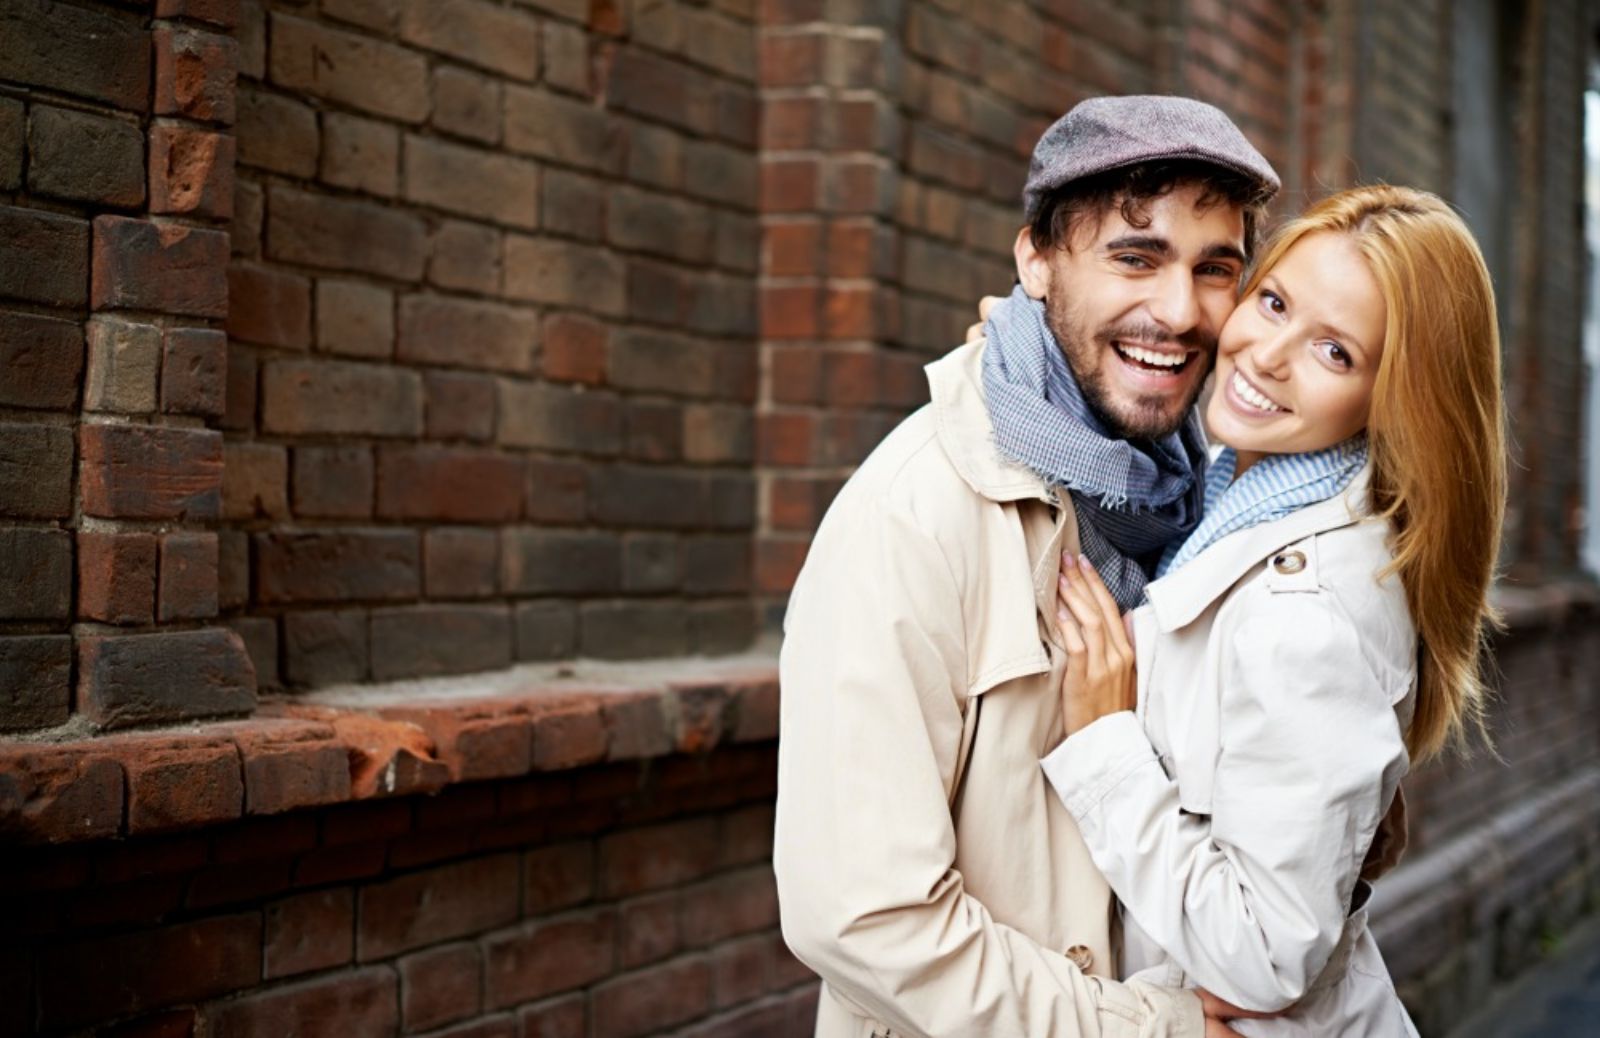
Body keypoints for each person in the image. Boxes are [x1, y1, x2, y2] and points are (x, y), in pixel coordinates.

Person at [775, 96, 1284, 1037]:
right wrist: (1154, 1029)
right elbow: (862, 916)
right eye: (1135, 257)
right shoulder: (916, 515)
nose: (1178, 312)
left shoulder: (1209, 514)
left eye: (1215, 269)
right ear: (1037, 261)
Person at [1036, 184, 1505, 1036]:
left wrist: (1105, 744)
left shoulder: (1306, 613)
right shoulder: (1234, 496)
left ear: (1391, 398)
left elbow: (1265, 955)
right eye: (1275, 302)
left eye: (1334, 351)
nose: (1266, 355)